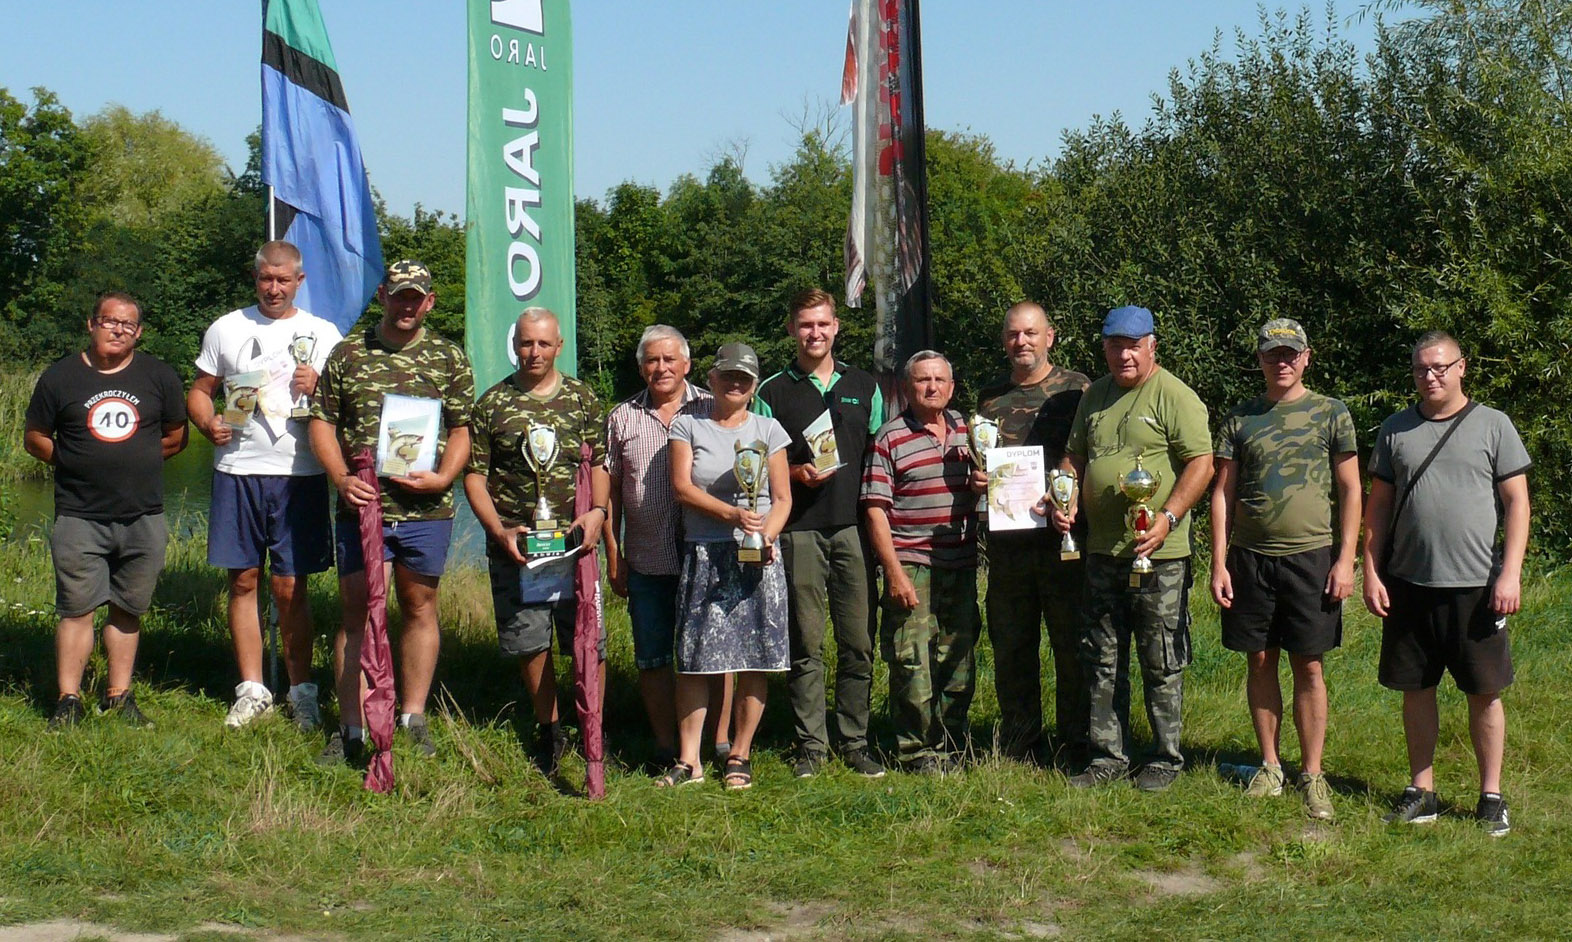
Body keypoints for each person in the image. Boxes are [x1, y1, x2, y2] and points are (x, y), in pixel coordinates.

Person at [1363, 330, 1529, 836]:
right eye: (1421, 368)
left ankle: (1491, 796)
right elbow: (1378, 509)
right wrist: (1370, 570)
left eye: (1439, 367)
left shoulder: (1493, 425)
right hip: (1409, 582)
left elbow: (1517, 503)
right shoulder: (1395, 429)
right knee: (1416, 689)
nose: (1430, 376)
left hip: (1477, 586)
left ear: (1462, 367)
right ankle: (1423, 791)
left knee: (1485, 692)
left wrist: (1510, 573)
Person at [309, 259, 474, 762]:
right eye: (399, 295)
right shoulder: (348, 352)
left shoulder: (448, 357)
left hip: (427, 508)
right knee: (357, 611)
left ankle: (412, 717)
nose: (407, 305)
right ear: (382, 295)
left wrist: (444, 477)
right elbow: (321, 422)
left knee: (420, 607)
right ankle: (352, 727)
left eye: (415, 298)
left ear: (430, 302)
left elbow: (463, 429)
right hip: (363, 506)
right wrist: (341, 478)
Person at [1054, 306, 1212, 792]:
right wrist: (1065, 494)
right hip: (1102, 551)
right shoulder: (1094, 397)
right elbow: (1074, 456)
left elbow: (1202, 464)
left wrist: (1168, 518)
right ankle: (1107, 757)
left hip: (1158, 553)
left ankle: (1164, 757)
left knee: (1160, 657)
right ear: (1104, 348)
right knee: (1101, 657)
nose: (1125, 355)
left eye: (1134, 346)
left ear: (1151, 346)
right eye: (1115, 346)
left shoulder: (1175, 395)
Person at [186, 240, 343, 730]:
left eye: (283, 279)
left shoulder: (323, 333)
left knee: (291, 586)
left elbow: (348, 405)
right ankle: (252, 689)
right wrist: (208, 423)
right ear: (255, 279)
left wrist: (320, 386)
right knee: (243, 580)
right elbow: (200, 391)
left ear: (299, 281)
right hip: (238, 469)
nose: (273, 288)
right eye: (265, 279)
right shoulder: (227, 328)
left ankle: (302, 691)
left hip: (301, 473)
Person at [1211, 318, 1360, 820]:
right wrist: (1219, 563)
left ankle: (1313, 774)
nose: (1282, 362)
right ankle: (1270, 765)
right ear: (1260, 359)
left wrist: (1346, 559)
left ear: (1306, 358)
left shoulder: (1331, 413)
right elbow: (1222, 493)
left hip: (1311, 557)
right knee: (1258, 660)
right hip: (1250, 558)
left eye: (1290, 354)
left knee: (1309, 665)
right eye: (1273, 354)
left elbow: (1351, 490)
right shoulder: (1241, 418)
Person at [25, 293, 188, 729]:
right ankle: (68, 700)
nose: (118, 330)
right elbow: (35, 437)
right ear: (91, 324)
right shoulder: (60, 377)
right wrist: (74, 462)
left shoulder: (159, 375)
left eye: (128, 324)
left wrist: (136, 461)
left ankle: (118, 695)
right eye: (109, 321)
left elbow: (176, 436)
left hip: (143, 515)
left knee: (128, 609)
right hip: (79, 515)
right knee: (76, 610)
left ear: (139, 332)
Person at [465, 308, 609, 776]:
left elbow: (600, 463)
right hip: (519, 548)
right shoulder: (492, 404)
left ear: (558, 346)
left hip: (575, 546)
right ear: (515, 345)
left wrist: (598, 512)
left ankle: (593, 726)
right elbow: (474, 475)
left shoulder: (583, 399)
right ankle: (550, 731)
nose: (535, 352)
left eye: (544, 344)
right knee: (530, 641)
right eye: (527, 343)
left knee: (588, 639)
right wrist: (498, 530)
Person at [754, 289, 885, 779]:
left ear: (836, 327)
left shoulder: (865, 385)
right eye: (806, 325)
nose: (815, 333)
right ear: (792, 329)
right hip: (798, 531)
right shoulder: (771, 392)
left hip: (854, 529)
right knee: (806, 644)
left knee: (858, 642)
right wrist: (794, 472)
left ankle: (855, 741)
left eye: (823, 324)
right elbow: (755, 463)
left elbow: (879, 455)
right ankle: (811, 745)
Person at [661, 342, 792, 789]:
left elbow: (782, 499)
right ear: (711, 379)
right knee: (695, 659)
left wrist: (765, 536)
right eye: (728, 375)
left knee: (755, 659)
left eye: (744, 378)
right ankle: (689, 761)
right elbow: (682, 488)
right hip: (705, 551)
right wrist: (732, 515)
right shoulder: (687, 424)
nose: (735, 383)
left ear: (754, 385)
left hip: (758, 556)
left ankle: (740, 754)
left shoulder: (769, 429)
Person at [603, 325, 733, 771]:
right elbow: (611, 491)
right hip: (647, 556)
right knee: (653, 656)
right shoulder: (621, 417)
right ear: (642, 367)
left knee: (715, 652)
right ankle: (665, 746)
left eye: (669, 359)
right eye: (652, 360)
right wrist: (613, 553)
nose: (661, 368)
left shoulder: (713, 407)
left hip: (710, 552)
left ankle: (719, 743)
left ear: (687, 365)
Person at [973, 301, 1090, 766]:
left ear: (1049, 337)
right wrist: (979, 479)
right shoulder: (989, 398)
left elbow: (1091, 455)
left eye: (1030, 333)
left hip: (1064, 542)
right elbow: (982, 461)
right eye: (1013, 334)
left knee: (1072, 647)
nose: (1021, 342)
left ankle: (1076, 744)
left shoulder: (1078, 389)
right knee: (1012, 647)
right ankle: (1021, 743)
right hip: (1008, 547)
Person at [862, 351, 982, 774]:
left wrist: (984, 482)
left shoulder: (970, 431)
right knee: (912, 662)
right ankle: (916, 750)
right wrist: (894, 572)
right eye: (922, 380)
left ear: (951, 387)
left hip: (960, 563)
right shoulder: (889, 437)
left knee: (958, 661)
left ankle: (953, 743)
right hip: (912, 563)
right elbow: (875, 510)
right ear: (906, 387)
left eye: (939, 380)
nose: (932, 387)